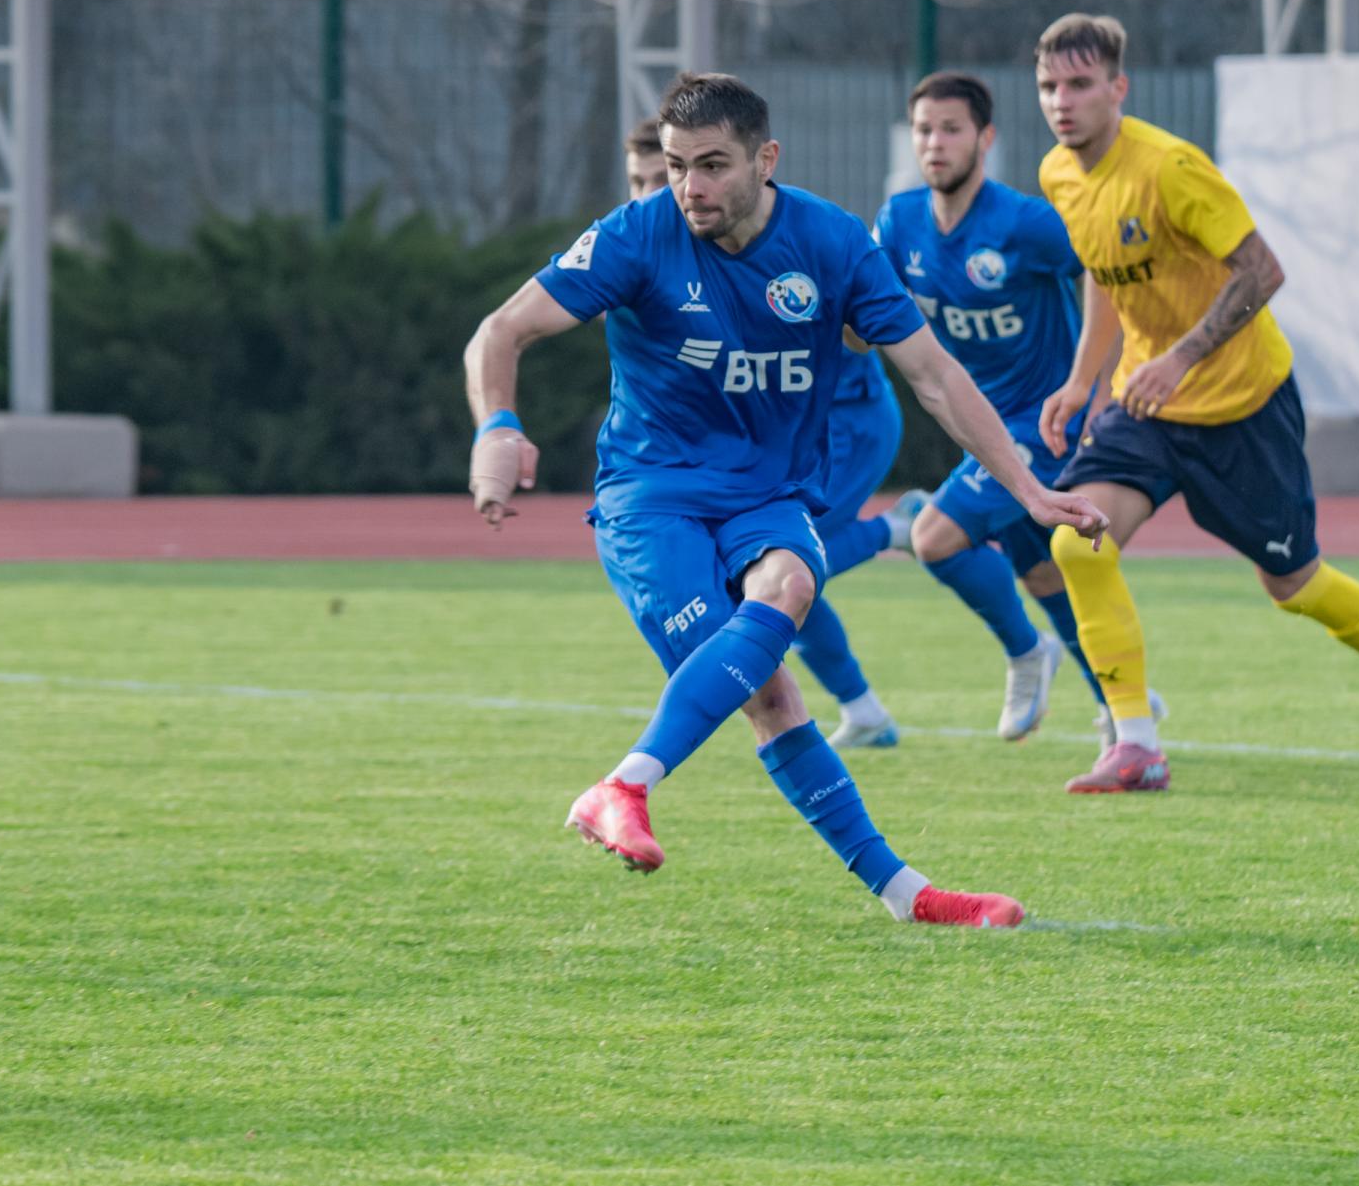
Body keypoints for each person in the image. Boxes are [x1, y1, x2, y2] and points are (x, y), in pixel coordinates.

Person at [467, 72, 1107, 926]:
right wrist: (498, 425)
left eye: (712, 165)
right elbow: (501, 330)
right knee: (769, 694)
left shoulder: (832, 242)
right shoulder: (638, 233)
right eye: (676, 165)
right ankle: (905, 893)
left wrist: (1028, 487)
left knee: (792, 588)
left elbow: (935, 376)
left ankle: (624, 786)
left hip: (766, 495)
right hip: (652, 497)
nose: (688, 187)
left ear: (766, 160)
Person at [1029, 13, 1359, 794]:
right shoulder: (1058, 172)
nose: (1063, 100)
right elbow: (1104, 274)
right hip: (1146, 406)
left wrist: (1182, 358)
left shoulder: (1170, 168)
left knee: (1294, 585)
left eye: (1080, 84)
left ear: (1118, 89)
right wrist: (1084, 379)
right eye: (1050, 85)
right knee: (1077, 540)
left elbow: (1262, 271)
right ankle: (1136, 743)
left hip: (1241, 405)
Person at [873, 71, 1163, 746]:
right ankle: (1124, 709)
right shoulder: (899, 221)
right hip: (980, 426)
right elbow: (869, 316)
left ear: (985, 138)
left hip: (1045, 423)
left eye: (951, 129)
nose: (935, 143)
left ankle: (1027, 651)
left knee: (933, 537)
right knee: (1043, 572)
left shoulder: (1025, 222)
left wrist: (1096, 387)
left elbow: (1105, 276)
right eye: (924, 130)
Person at [624, 118, 920, 750]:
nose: (659, 195)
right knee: (769, 585)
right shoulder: (651, 245)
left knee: (783, 571)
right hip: (759, 452)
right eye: (644, 181)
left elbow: (866, 338)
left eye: (667, 176)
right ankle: (863, 709)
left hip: (846, 424)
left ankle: (897, 530)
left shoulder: (780, 233)